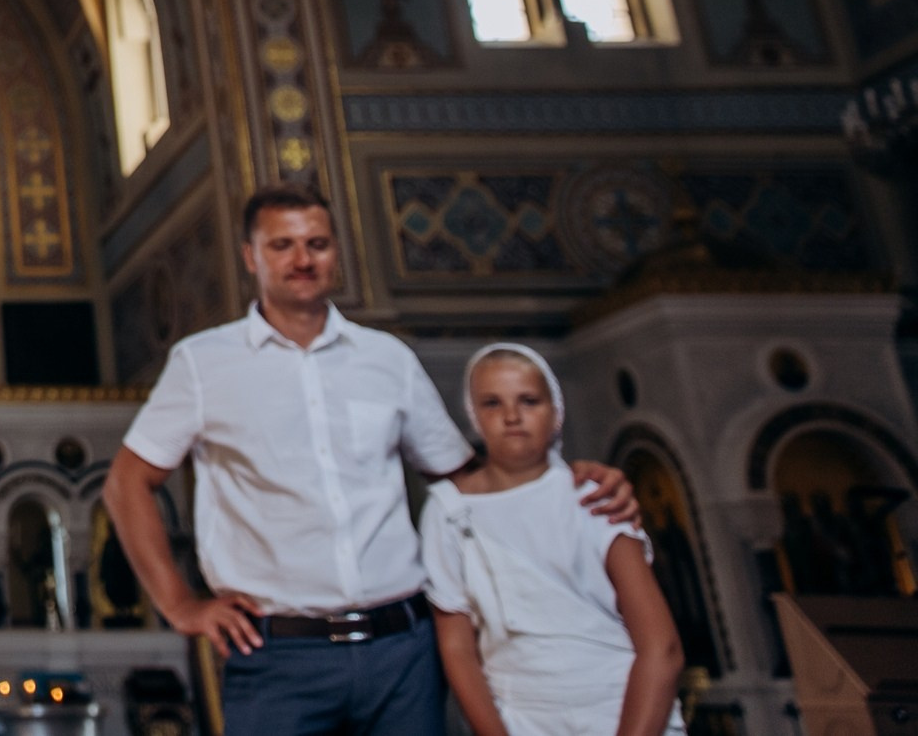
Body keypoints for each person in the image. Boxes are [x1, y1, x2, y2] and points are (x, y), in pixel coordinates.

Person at [101, 182, 639, 736]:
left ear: (337, 252)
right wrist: (180, 605)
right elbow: (127, 484)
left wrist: (566, 479)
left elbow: (465, 478)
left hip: (401, 651)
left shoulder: (387, 359)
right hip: (279, 657)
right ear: (250, 257)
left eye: (318, 243)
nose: (303, 259)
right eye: (282, 245)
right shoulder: (203, 363)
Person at [424, 344, 685, 736]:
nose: (512, 417)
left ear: (556, 411)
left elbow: (661, 649)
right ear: (474, 415)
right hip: (519, 716)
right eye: (492, 403)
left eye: (528, 401)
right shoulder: (446, 509)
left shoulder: (594, 497)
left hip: (621, 706)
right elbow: (457, 648)